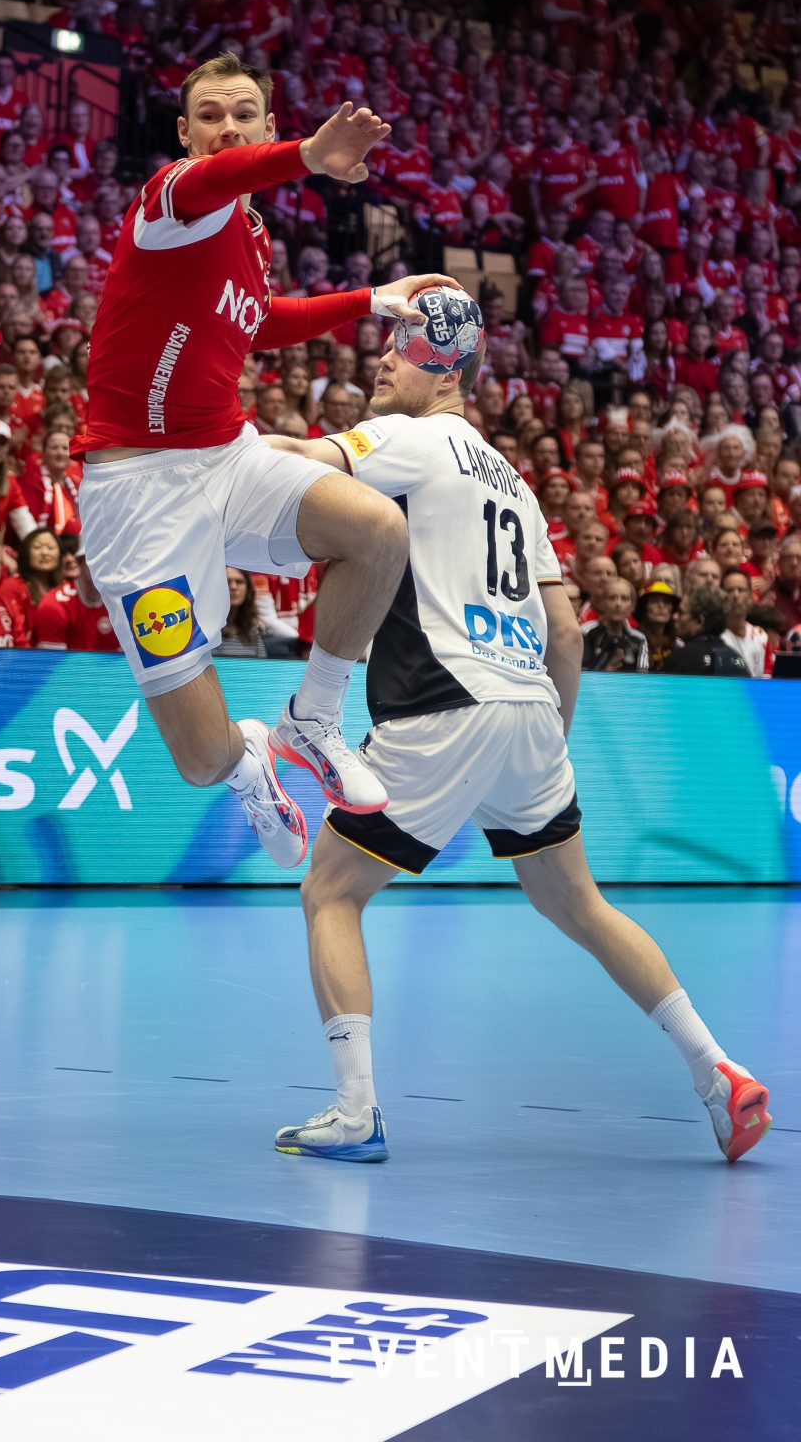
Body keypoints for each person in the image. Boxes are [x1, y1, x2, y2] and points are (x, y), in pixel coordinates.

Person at [259, 335, 768, 1166]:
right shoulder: (518, 484)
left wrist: (203, 449)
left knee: (332, 893)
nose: (381, 362)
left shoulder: (410, 438)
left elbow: (293, 457)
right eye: (382, 349)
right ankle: (718, 1071)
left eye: (403, 352)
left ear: (447, 371)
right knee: (580, 904)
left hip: (441, 699)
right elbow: (565, 632)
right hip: (530, 705)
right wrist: (543, 742)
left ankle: (355, 1112)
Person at [74, 52, 456, 868]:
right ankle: (250, 765)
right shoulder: (170, 200)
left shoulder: (250, 233)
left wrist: (371, 300)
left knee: (378, 531)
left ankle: (313, 720)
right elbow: (221, 178)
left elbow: (257, 319)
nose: (228, 128)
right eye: (210, 115)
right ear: (185, 133)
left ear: (267, 123)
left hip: (227, 455)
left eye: (245, 114)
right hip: (136, 494)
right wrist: (310, 157)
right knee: (201, 758)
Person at [661, 586, 753, 676]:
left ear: (699, 621)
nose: (675, 616)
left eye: (681, 612)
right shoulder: (735, 660)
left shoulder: (679, 661)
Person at [217, 567, 268, 656]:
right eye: (227, 581)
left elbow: (262, 663)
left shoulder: (254, 628)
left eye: (239, 582)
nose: (233, 587)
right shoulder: (204, 628)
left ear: (248, 589)